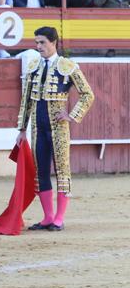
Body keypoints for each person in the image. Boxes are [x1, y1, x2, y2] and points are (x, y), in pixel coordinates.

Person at [16, 26, 94, 231]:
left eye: (42, 42)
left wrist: (72, 115)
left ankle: (59, 218)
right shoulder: (33, 66)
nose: (38, 46)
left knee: (62, 170)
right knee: (40, 171)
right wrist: (22, 129)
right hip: (37, 128)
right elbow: (26, 100)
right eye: (36, 43)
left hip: (58, 127)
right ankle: (48, 217)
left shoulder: (67, 66)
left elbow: (88, 94)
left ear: (53, 42)